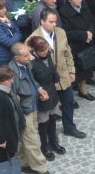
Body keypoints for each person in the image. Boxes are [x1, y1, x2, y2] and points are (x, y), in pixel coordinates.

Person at [29, 8, 86, 139]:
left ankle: (69, 128)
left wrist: (71, 70)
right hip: (47, 81)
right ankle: (50, 137)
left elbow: (67, 52)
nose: (54, 24)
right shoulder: (33, 38)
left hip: (63, 76)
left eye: (55, 21)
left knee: (68, 102)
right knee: (50, 110)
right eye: (51, 22)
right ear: (42, 21)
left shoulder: (61, 32)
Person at [7, 43, 54, 174]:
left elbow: (32, 81)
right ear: (16, 58)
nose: (31, 57)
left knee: (26, 138)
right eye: (26, 55)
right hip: (24, 111)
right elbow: (12, 95)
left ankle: (24, 162)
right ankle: (41, 169)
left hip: (32, 106)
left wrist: (39, 90)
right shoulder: (11, 72)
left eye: (29, 53)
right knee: (32, 140)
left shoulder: (26, 65)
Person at [26, 36, 61, 161]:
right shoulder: (31, 62)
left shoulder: (48, 54)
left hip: (52, 92)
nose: (45, 52)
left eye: (46, 49)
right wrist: (39, 92)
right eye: (42, 50)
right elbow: (31, 80)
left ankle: (53, 142)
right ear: (35, 50)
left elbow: (52, 69)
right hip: (42, 95)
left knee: (52, 119)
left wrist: (56, 79)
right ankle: (44, 146)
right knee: (43, 122)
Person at [59, 0, 95, 101]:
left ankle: (83, 91)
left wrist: (90, 33)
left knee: (86, 69)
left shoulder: (83, 5)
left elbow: (92, 21)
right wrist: (84, 35)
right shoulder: (64, 11)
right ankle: (70, 98)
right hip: (74, 47)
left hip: (87, 43)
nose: (80, 0)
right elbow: (67, 32)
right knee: (73, 72)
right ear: (70, 0)